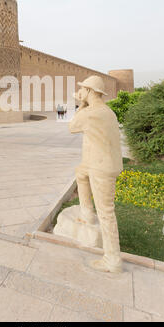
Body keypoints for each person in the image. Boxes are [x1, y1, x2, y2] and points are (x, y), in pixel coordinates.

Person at [69, 76, 123, 273]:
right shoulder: (108, 111)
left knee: (107, 212)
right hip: (101, 163)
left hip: (101, 168)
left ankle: (113, 260)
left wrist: (81, 104)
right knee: (80, 173)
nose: (80, 92)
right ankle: (86, 213)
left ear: (90, 91)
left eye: (82, 89)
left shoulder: (90, 112)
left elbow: (72, 126)